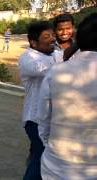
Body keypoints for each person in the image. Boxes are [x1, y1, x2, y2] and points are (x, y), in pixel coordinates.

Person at [38, 13, 97, 180]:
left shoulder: (56, 71)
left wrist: (53, 147)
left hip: (56, 166)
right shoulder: (56, 59)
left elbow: (43, 118)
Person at [17, 21, 57, 180]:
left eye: (53, 35)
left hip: (52, 118)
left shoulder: (55, 53)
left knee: (41, 156)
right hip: (35, 119)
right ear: (33, 42)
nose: (53, 39)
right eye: (47, 36)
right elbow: (50, 68)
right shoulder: (27, 58)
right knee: (41, 157)